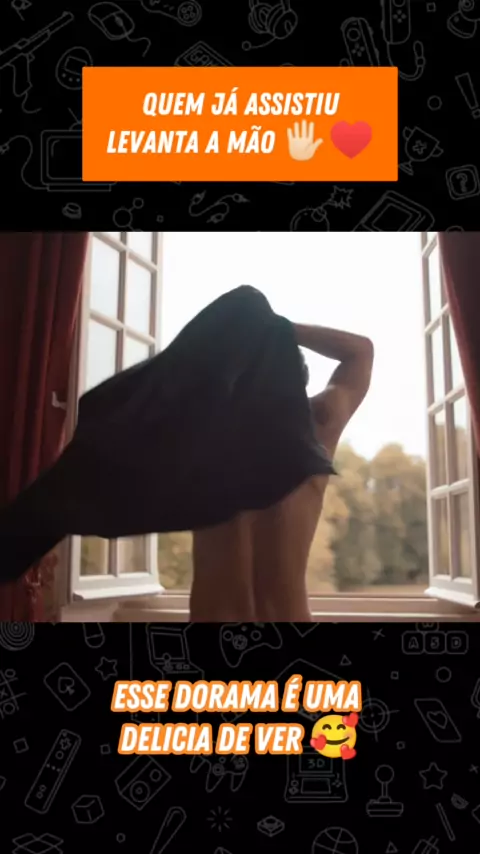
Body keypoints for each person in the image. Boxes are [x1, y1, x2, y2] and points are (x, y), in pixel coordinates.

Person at [190, 322, 374, 622]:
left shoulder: (200, 435)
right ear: (298, 381)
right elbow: (360, 351)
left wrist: (241, 333)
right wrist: (274, 326)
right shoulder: (318, 426)